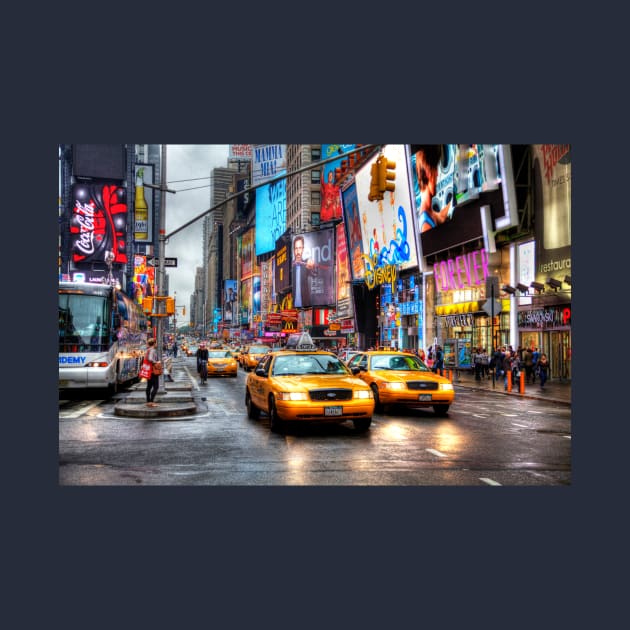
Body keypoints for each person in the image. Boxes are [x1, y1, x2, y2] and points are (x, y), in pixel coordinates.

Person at [414, 145, 450, 233]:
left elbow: (441, 216)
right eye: (435, 169)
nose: (437, 174)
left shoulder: (428, 212)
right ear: (427, 172)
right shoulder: (426, 226)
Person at [292, 235, 318, 308]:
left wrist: (312, 266)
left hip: (306, 306)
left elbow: (315, 273)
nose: (298, 251)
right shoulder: (291, 266)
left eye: (300, 248)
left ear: (303, 249)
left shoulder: (306, 264)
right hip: (292, 309)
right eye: (296, 248)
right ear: (294, 250)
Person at [144, 337, 160, 407]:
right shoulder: (153, 350)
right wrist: (156, 362)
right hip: (153, 371)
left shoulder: (148, 350)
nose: (156, 344)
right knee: (156, 387)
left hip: (149, 370)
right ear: (154, 343)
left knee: (149, 386)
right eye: (156, 343)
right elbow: (150, 359)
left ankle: (148, 401)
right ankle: (151, 401)